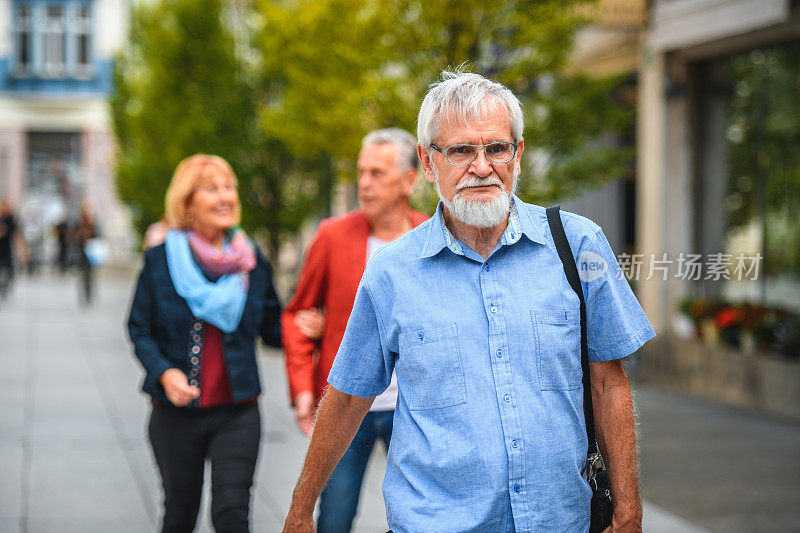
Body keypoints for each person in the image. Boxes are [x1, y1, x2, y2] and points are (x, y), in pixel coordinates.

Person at [283, 71, 656, 533]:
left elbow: (608, 385)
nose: (481, 166)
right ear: (427, 161)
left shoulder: (580, 246)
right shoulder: (392, 271)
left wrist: (629, 508)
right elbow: (347, 397)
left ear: (518, 156)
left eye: (496, 148)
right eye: (460, 151)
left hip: (561, 520)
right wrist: (301, 509)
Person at [282, 128, 428, 533]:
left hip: (413, 408)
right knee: (334, 518)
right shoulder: (332, 235)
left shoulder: (431, 237)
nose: (364, 183)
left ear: (409, 180)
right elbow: (296, 316)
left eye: (377, 173)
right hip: (348, 406)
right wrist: (302, 389)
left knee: (423, 519)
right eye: (361, 172)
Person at [127, 154, 282, 533]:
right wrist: (164, 374)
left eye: (229, 187)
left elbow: (274, 328)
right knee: (180, 515)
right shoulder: (160, 260)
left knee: (232, 516)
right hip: (175, 414)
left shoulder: (251, 260)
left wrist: (310, 323)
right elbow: (139, 328)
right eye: (212, 189)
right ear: (187, 202)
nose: (225, 196)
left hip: (238, 410)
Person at [76, 202, 98, 304]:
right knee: (83, 276)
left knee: (91, 276)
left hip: (91, 254)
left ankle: (90, 295)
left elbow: (98, 236)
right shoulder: (79, 223)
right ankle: (83, 295)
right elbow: (74, 238)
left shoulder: (93, 224)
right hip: (81, 254)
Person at [0, 199, 18, 299]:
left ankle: (7, 285)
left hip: (7, 248)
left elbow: (14, 234)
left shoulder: (11, 220)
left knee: (8, 269)